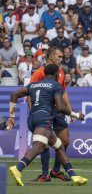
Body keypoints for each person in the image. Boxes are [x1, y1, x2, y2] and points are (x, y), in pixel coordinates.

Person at [6, 64, 87, 186]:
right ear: (57, 75)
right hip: (44, 118)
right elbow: (60, 107)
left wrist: (11, 117)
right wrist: (76, 115)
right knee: (39, 146)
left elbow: (14, 95)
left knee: (59, 146)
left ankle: (74, 176)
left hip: (32, 119)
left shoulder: (34, 84)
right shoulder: (56, 85)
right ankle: (18, 168)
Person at [29, 46, 77, 182]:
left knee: (65, 141)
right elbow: (30, 92)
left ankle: (55, 171)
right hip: (43, 111)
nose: (61, 59)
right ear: (50, 57)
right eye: (59, 57)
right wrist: (34, 110)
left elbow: (63, 92)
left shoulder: (60, 71)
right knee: (43, 142)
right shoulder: (39, 73)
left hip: (58, 110)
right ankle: (44, 174)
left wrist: (70, 110)